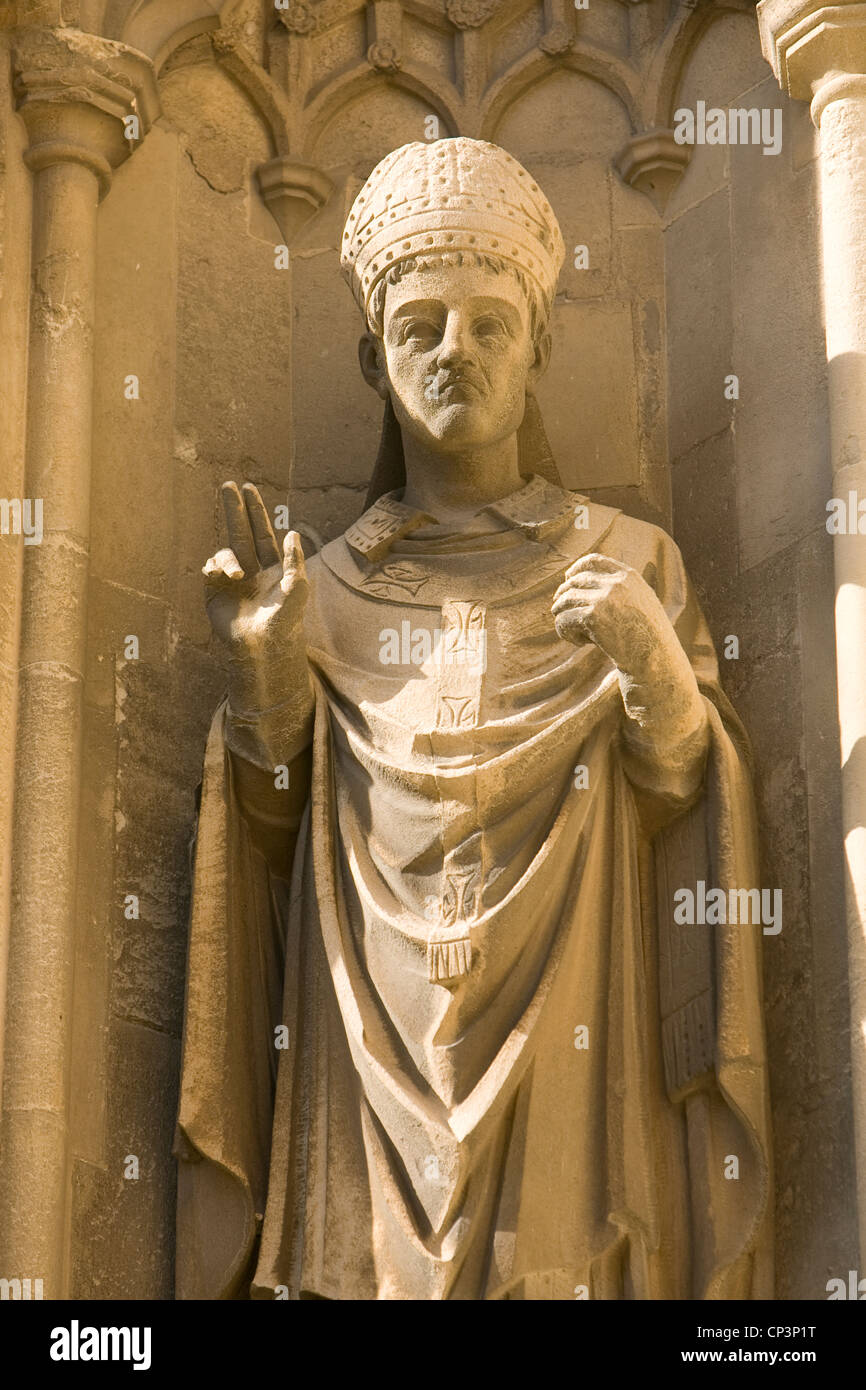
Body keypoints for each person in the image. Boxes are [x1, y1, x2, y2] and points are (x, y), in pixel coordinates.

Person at [175, 137, 771, 1300]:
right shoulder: (324, 587)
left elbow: (684, 802)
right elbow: (266, 837)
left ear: (538, 344)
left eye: (489, 323)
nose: (456, 351)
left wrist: (653, 669)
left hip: (569, 1046)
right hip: (359, 1067)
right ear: (373, 358)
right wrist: (264, 676)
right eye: (420, 327)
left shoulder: (626, 560)